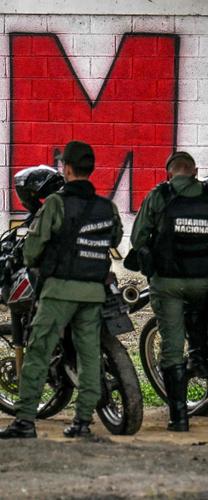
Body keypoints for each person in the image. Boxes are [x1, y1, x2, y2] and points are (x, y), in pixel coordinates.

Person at [0, 141, 123, 439]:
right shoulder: (106, 207)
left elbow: (32, 250)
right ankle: (82, 423)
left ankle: (26, 421)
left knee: (39, 352)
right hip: (94, 293)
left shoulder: (56, 203)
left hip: (58, 293)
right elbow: (115, 237)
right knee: (90, 355)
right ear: (90, 169)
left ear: (66, 169)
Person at [128, 152, 208, 432]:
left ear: (169, 174)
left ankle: (179, 418)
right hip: (206, 283)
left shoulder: (158, 196)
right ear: (195, 171)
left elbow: (138, 238)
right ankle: (205, 358)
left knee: (172, 348)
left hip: (168, 284)